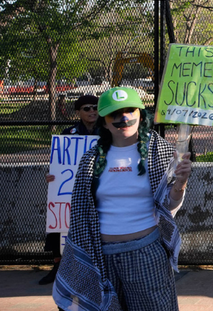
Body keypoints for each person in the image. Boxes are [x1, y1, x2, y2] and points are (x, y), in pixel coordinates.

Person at [52, 87, 192, 311]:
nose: (124, 118)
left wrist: (180, 184)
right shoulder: (90, 159)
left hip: (146, 255)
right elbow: (81, 210)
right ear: (104, 122)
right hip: (101, 256)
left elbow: (169, 207)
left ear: (141, 115)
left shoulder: (162, 153)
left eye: (130, 111)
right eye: (115, 114)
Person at [40, 95, 103, 286]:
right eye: (86, 108)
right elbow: (59, 163)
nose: (92, 111)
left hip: (99, 185)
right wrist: (53, 176)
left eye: (95, 107)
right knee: (58, 220)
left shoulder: (107, 131)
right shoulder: (69, 133)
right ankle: (58, 266)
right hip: (70, 189)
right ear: (78, 112)